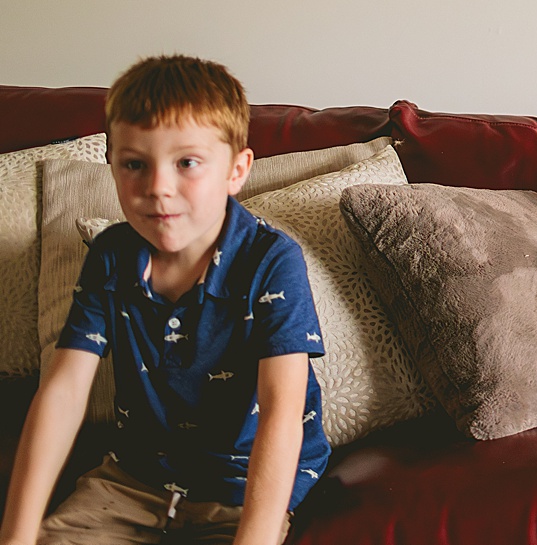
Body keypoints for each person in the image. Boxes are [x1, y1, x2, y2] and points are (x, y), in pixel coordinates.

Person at [0, 56, 329, 545]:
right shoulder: (112, 255)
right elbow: (64, 392)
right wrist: (17, 535)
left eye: (187, 163)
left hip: (238, 490)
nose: (157, 188)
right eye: (135, 164)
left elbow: (281, 414)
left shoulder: (271, 260)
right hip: (131, 481)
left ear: (236, 170)